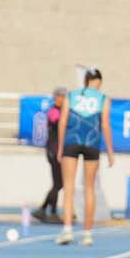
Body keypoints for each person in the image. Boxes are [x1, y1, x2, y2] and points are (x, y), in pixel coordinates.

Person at [54, 69, 116, 246]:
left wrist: (60, 147)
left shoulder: (71, 96)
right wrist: (110, 151)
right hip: (92, 142)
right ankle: (87, 233)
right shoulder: (103, 99)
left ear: (86, 81)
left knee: (69, 188)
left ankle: (67, 230)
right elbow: (105, 125)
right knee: (89, 188)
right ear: (99, 82)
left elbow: (63, 121)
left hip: (71, 141)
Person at [34, 87, 69, 224]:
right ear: (58, 97)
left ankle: (42, 210)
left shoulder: (62, 111)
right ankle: (51, 212)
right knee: (58, 183)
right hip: (54, 151)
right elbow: (59, 123)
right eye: (62, 97)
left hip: (57, 150)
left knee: (59, 183)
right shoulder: (54, 111)